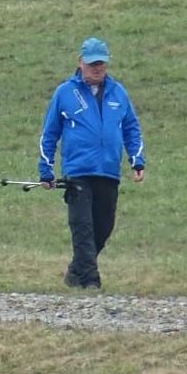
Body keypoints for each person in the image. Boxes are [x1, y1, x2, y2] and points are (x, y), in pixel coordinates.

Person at [38, 37, 146, 290]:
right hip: (78, 172)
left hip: (108, 171)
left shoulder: (119, 93)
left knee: (104, 226)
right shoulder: (64, 93)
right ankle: (90, 281)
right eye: (92, 63)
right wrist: (46, 168)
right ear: (80, 63)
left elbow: (131, 128)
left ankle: (76, 272)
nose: (97, 68)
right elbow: (49, 133)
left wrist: (136, 160)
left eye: (101, 63)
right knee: (82, 227)